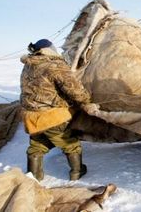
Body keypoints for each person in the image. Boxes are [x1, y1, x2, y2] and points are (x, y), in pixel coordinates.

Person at [20, 39, 99, 181]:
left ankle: (34, 176)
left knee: (37, 145)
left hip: (31, 116)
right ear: (50, 49)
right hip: (51, 115)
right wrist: (86, 102)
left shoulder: (29, 65)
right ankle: (77, 171)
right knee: (69, 143)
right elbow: (73, 88)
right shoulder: (54, 65)